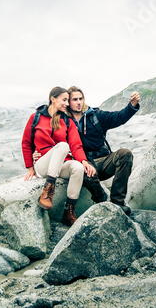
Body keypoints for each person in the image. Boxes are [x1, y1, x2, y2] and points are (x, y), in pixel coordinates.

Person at [37, 86, 140, 215]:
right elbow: (49, 140)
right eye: (75, 99)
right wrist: (38, 154)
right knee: (83, 171)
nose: (79, 102)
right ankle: (102, 201)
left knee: (125, 154)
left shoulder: (96, 115)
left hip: (104, 160)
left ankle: (118, 202)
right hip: (84, 163)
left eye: (81, 99)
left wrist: (132, 105)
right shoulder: (62, 121)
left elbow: (119, 117)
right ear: (68, 102)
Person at [22, 86, 96, 226]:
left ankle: (69, 212)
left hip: (61, 164)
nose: (67, 104)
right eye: (64, 100)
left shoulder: (67, 121)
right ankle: (47, 192)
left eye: (68, 100)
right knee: (63, 145)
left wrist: (84, 161)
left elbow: (76, 145)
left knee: (78, 167)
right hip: (43, 163)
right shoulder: (36, 117)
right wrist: (30, 167)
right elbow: (26, 142)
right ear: (53, 99)